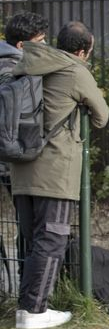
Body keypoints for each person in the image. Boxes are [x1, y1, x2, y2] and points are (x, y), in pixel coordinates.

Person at [11, 22, 109, 329]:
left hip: (21, 164)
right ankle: (34, 310)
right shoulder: (75, 70)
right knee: (52, 238)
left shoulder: (27, 64)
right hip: (55, 168)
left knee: (31, 239)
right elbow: (102, 116)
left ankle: (25, 305)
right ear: (82, 51)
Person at [1, 12, 49, 195]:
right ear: (21, 45)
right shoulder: (13, 69)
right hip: (11, 153)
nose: (45, 45)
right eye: (40, 41)